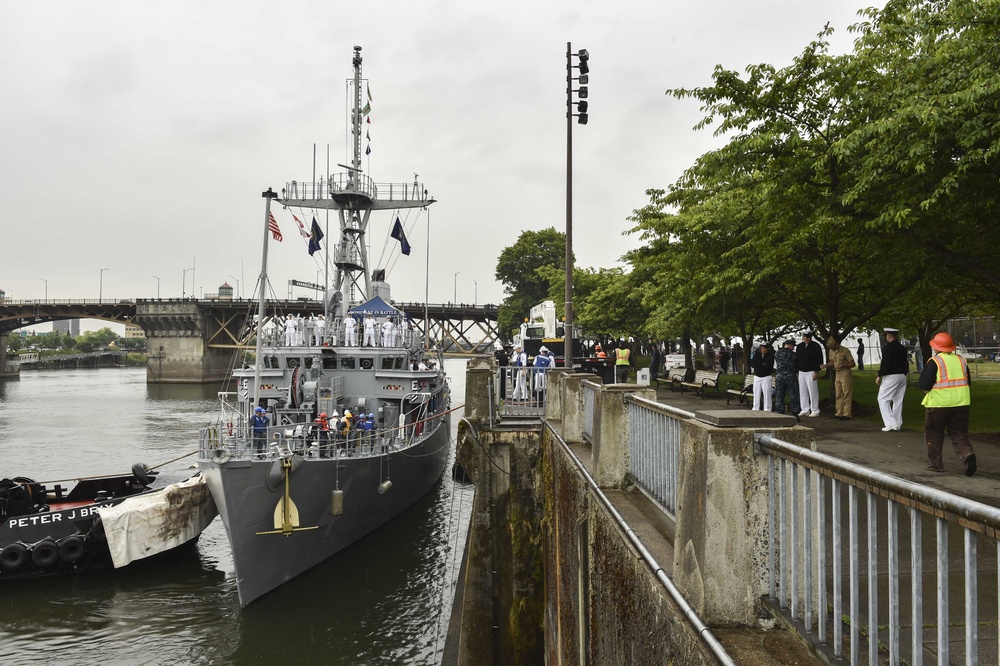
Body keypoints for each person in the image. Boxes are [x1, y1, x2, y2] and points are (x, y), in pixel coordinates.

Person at [919, 332, 976, 476]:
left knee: (934, 434)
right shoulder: (962, 360)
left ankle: (935, 465)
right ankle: (968, 455)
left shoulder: (934, 361)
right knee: (959, 433)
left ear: (936, 347)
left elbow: (925, 384)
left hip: (939, 405)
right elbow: (968, 382)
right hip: (961, 403)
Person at [877, 327, 909, 431]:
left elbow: (885, 363)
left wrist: (879, 375)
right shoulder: (902, 348)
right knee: (898, 400)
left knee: (882, 399)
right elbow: (905, 362)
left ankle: (890, 423)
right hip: (902, 375)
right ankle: (897, 423)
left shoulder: (888, 348)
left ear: (889, 336)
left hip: (891, 376)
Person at [823, 337, 856, 420]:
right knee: (838, 393)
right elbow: (832, 362)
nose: (832, 349)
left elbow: (852, 363)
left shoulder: (845, 351)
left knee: (846, 393)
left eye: (833, 347)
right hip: (837, 373)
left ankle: (847, 414)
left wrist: (845, 365)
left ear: (836, 344)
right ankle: (839, 413)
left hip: (845, 373)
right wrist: (826, 365)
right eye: (831, 348)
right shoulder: (831, 351)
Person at [795, 331, 824, 416]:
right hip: (801, 371)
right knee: (802, 391)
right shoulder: (800, 346)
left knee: (813, 391)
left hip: (811, 371)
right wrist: (797, 371)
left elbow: (819, 359)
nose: (806, 339)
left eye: (808, 337)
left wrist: (816, 371)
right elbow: (797, 359)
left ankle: (815, 410)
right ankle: (805, 409)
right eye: (805, 337)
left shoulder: (815, 346)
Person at [772, 338, 800, 417]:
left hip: (779, 376)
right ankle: (795, 412)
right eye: (793, 346)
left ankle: (779, 411)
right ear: (790, 346)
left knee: (779, 394)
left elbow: (775, 366)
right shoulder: (793, 354)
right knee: (793, 394)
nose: (794, 347)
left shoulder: (777, 353)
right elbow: (797, 365)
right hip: (790, 376)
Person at [749, 342, 774, 411]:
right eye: (762, 348)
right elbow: (753, 364)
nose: (764, 349)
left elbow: (769, 367)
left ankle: (767, 409)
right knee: (756, 393)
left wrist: (759, 365)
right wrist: (762, 364)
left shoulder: (770, 356)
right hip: (757, 376)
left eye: (765, 348)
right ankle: (755, 408)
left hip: (766, 376)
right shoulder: (757, 355)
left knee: (767, 394)